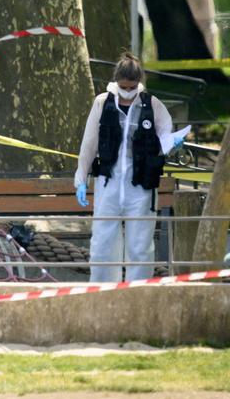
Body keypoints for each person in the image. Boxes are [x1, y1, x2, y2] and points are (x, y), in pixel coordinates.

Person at [74, 53, 183, 282]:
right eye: (124, 86)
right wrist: (81, 178)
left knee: (140, 244)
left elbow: (164, 134)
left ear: (138, 83)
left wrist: (172, 142)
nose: (127, 91)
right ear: (116, 82)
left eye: (132, 87)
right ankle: (103, 290)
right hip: (109, 181)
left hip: (141, 184)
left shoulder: (151, 104)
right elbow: (89, 143)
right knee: (103, 242)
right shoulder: (103, 103)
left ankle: (138, 291)